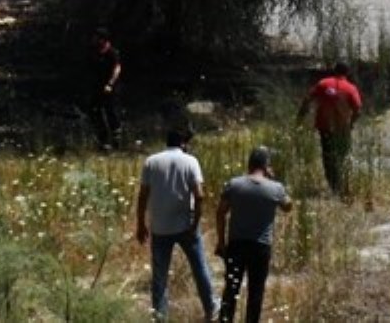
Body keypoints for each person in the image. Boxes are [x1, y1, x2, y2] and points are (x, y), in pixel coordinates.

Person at [136, 126, 217, 321]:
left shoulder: (151, 162)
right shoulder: (190, 161)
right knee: (200, 269)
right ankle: (211, 310)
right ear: (183, 143)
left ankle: (160, 316)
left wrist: (140, 224)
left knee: (159, 276)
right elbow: (199, 195)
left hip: (159, 227)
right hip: (185, 226)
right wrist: (194, 222)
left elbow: (143, 196)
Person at [214, 146, 292, 323]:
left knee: (231, 289)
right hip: (261, 247)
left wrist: (221, 242)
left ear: (249, 164)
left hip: (236, 245)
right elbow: (288, 206)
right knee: (256, 293)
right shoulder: (275, 188)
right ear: (266, 166)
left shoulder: (234, 184)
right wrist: (272, 179)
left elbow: (220, 212)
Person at [296, 62, 363, 194]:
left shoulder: (323, 83)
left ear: (334, 70)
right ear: (348, 73)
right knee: (342, 156)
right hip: (343, 129)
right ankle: (343, 186)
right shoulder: (351, 88)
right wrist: (351, 124)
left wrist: (299, 118)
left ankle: (334, 186)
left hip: (325, 127)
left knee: (328, 157)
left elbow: (307, 99)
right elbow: (358, 110)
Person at [90, 28, 122, 149]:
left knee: (111, 112)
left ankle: (116, 139)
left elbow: (117, 69)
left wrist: (110, 84)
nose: (93, 40)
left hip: (110, 87)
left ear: (103, 39)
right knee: (95, 111)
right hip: (97, 87)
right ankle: (102, 139)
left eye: (96, 37)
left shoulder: (112, 52)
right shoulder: (95, 52)